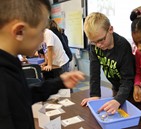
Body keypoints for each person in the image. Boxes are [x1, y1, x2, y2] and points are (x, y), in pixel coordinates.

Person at [0, 0, 85, 129]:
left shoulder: (11, 64)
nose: (42, 38)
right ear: (19, 32)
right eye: (41, 31)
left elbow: (23, 96)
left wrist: (59, 82)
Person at [81, 12, 135, 114]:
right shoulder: (94, 46)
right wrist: (94, 95)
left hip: (131, 90)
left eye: (101, 40)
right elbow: (94, 72)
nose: (98, 45)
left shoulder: (123, 46)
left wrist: (118, 100)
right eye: (94, 42)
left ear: (110, 29)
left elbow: (127, 79)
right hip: (116, 87)